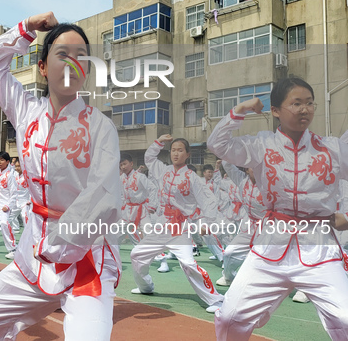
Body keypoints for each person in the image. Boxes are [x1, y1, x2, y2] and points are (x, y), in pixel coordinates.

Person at [0, 12, 122, 340]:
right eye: (62, 55)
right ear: (43, 67)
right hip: (33, 257)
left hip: (86, 260)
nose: (72, 63)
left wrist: (55, 246)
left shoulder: (101, 127)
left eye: (81, 57)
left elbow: (102, 197)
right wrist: (26, 28)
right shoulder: (25, 111)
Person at [208, 77, 348, 340]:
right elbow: (218, 145)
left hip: (319, 249)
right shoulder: (261, 145)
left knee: (345, 318)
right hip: (270, 246)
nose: (305, 109)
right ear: (276, 111)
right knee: (229, 317)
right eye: (296, 103)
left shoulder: (332, 149)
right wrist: (241, 110)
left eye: (309, 103)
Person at [130, 135, 224, 313]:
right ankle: (145, 286)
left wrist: (206, 222)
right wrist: (158, 141)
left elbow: (209, 200)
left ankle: (215, 299)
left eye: (180, 150)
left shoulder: (192, 178)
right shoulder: (163, 170)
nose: (176, 153)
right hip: (161, 225)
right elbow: (149, 158)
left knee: (188, 263)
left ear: (187, 154)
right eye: (173, 150)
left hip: (180, 228)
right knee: (137, 254)